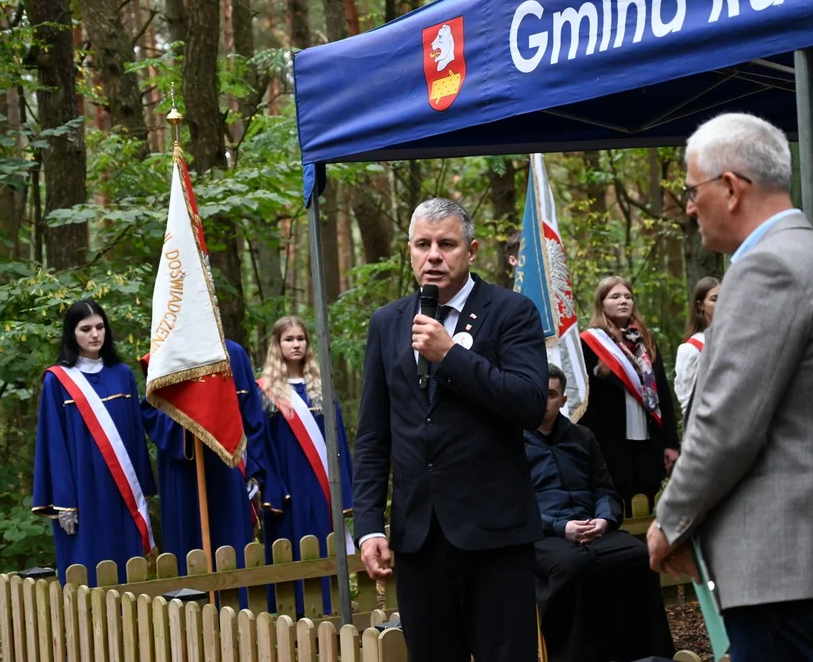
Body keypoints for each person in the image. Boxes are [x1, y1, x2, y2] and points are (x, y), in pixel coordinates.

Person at [647, 113, 813, 661]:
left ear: (731, 187)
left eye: (692, 190)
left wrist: (670, 522)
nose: (688, 206)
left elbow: (725, 424)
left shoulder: (767, 270)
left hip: (784, 563)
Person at [354, 198, 548, 662]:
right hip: (419, 537)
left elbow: (528, 402)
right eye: (423, 245)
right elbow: (374, 434)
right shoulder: (387, 323)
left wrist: (451, 357)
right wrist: (367, 527)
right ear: (409, 251)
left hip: (496, 534)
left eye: (447, 244)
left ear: (472, 250)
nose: (434, 256)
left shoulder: (512, 311)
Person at [526, 365, 675, 662]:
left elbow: (605, 490)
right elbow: (516, 505)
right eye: (537, 394)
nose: (544, 401)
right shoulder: (513, 444)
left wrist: (604, 520)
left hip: (593, 529)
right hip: (545, 535)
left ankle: (652, 656)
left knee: (637, 556)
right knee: (573, 567)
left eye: (551, 394)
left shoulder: (583, 438)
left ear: (564, 399)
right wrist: (561, 527)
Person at [32, 299, 157, 585]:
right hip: (82, 489)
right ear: (71, 333)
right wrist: (64, 501)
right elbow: (54, 444)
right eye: (85, 328)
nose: (95, 334)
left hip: (123, 489)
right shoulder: (58, 380)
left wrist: (143, 490)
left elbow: (136, 436)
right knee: (87, 566)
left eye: (100, 327)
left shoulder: (123, 374)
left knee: (128, 566)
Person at [141, 338, 281, 582]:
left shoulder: (235, 353)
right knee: (188, 547)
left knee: (233, 547)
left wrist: (254, 470)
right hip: (183, 470)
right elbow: (152, 410)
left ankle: (238, 610)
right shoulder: (165, 353)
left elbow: (253, 416)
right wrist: (189, 423)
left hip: (228, 468)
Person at [256, 315, 354, 617]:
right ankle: (290, 616)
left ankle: (330, 610)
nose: (296, 344)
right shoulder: (265, 391)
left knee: (324, 544)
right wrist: (269, 486)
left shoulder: (321, 386)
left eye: (300, 339)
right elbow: (261, 444)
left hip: (321, 485)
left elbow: (338, 441)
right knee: (290, 546)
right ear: (277, 344)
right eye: (289, 339)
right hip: (285, 487)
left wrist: (348, 488)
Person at [579, 277, 680, 516]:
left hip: (648, 436)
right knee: (616, 500)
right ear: (601, 303)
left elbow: (662, 394)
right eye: (615, 297)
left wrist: (671, 443)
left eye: (627, 296)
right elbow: (582, 398)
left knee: (649, 495)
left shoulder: (644, 340)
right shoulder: (590, 343)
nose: (623, 301)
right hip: (610, 438)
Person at [673, 276, 720, 420]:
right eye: (714, 299)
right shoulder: (691, 349)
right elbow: (687, 399)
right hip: (706, 424)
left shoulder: (734, 340)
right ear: (701, 305)